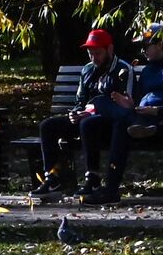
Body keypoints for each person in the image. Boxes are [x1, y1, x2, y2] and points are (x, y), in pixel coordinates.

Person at [79, 22, 163, 206]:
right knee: (97, 109)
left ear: (159, 44)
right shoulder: (149, 69)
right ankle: (98, 182)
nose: (143, 51)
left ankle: (110, 190)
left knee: (120, 125)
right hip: (140, 120)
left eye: (146, 46)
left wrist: (157, 110)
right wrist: (129, 104)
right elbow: (139, 100)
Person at [29, 28, 133, 200]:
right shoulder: (87, 70)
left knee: (88, 124)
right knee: (48, 126)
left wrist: (89, 113)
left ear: (110, 49)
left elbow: (125, 106)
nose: (94, 58)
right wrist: (76, 113)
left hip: (109, 123)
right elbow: (80, 99)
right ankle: (52, 178)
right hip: (86, 117)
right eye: (90, 53)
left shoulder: (123, 70)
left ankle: (92, 178)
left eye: (98, 53)